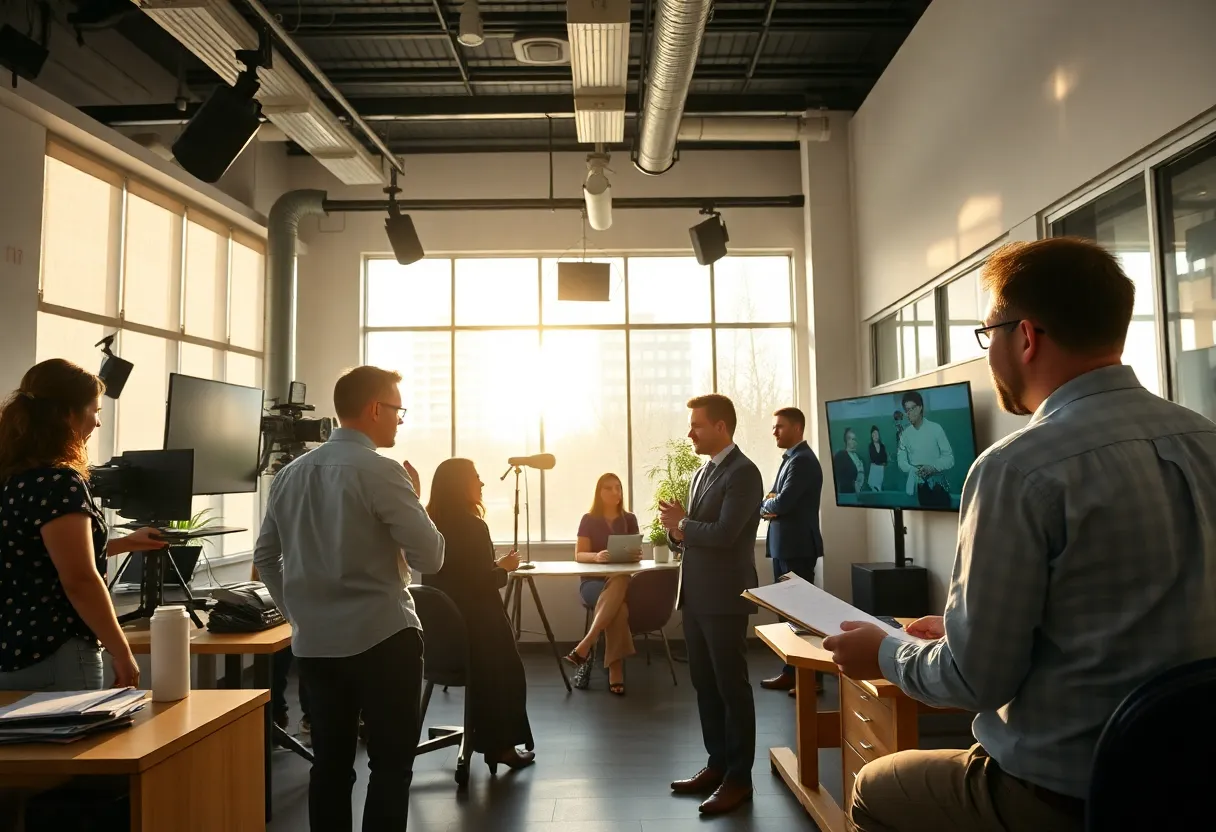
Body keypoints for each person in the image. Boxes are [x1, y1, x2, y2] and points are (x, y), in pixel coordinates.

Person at [822, 237, 1216, 832]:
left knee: (874, 785)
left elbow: (973, 679)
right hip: (1195, 782)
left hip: (1065, 795)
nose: (989, 354)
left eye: (988, 335)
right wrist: (958, 632)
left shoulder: (1018, 469)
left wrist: (883, 651)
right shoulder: (1205, 439)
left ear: (1025, 336)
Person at [254, 365, 445, 832]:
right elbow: (432, 556)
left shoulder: (290, 475)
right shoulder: (381, 472)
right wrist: (414, 501)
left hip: (316, 646)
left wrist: (296, 613)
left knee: (330, 767)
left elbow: (265, 556)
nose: (401, 419)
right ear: (375, 409)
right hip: (385, 639)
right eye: (399, 410)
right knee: (390, 768)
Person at [0, 359, 166, 691]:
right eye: (94, 410)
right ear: (67, 414)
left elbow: (33, 556)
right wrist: (122, 652)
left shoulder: (11, 479)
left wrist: (125, 543)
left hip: (10, 652)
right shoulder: (60, 482)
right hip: (56, 653)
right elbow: (78, 579)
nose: (99, 422)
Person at [660, 394, 762, 816]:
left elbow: (723, 534)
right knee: (704, 684)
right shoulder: (701, 472)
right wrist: (674, 528)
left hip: (724, 597)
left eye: (697, 425)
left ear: (721, 427)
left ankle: (739, 779)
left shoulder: (745, 473)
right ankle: (716, 764)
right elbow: (686, 538)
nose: (690, 433)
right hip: (696, 596)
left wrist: (682, 524)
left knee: (731, 687)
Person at [423, 458, 535, 772]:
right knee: (508, 667)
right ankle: (501, 747)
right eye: (476, 476)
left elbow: (456, 578)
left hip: (439, 644)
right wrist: (504, 568)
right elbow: (481, 583)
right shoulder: (473, 526)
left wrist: (493, 566)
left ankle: (493, 741)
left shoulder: (430, 525)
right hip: (472, 635)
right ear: (461, 484)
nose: (482, 483)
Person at [758, 407, 823, 694]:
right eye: (774, 426)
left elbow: (779, 503)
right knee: (787, 614)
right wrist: (769, 504)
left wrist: (767, 507)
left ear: (798, 428)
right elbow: (771, 498)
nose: (774, 431)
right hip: (784, 546)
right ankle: (791, 671)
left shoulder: (803, 461)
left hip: (796, 548)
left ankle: (812, 679)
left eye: (780, 426)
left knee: (802, 615)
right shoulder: (791, 460)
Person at [564, 473, 640, 695]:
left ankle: (586, 643)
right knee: (619, 609)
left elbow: (636, 554)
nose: (616, 492)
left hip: (622, 580)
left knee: (620, 579)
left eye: (618, 487)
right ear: (599, 492)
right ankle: (615, 671)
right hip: (593, 584)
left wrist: (636, 554)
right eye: (609, 488)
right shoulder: (589, 519)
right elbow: (579, 555)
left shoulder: (629, 519)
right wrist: (596, 556)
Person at [895, 390, 954, 508]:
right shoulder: (905, 435)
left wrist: (932, 467)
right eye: (907, 410)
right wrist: (913, 470)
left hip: (938, 486)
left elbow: (949, 459)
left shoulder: (936, 429)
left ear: (920, 408)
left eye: (912, 409)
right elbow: (901, 461)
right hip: (920, 489)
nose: (909, 413)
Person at [832, 427, 865, 494]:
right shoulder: (841, 456)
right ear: (847, 441)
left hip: (860, 494)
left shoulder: (859, 457)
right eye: (851, 439)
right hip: (847, 495)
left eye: (855, 439)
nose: (854, 442)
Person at [867, 426, 888, 491]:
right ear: (871, 436)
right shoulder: (871, 446)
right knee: (873, 487)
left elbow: (885, 459)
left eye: (876, 434)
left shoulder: (882, 446)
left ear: (879, 435)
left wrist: (882, 465)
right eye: (873, 434)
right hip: (874, 469)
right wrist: (880, 463)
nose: (875, 436)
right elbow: (873, 458)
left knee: (880, 488)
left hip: (881, 470)